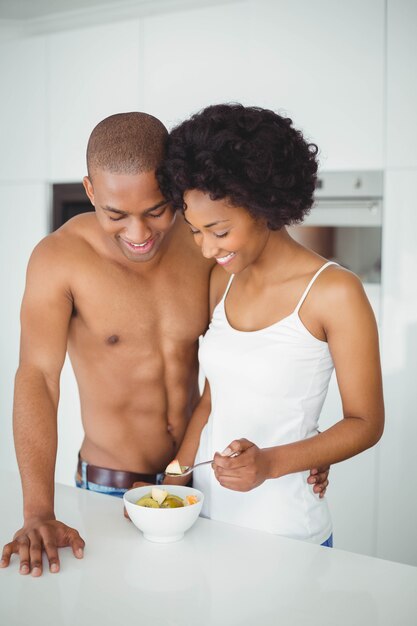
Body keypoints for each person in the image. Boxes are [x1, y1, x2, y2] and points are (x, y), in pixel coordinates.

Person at [0, 112, 329, 577]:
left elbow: (257, 351)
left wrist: (299, 449)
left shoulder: (206, 245)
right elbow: (37, 377)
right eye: (116, 214)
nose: (139, 234)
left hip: (204, 484)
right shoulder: (58, 260)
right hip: (111, 488)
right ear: (90, 190)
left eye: (156, 210)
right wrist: (37, 512)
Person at [158, 103, 385, 546]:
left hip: (286, 533)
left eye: (219, 232)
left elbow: (365, 422)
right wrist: (174, 479)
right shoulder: (221, 281)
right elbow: (212, 398)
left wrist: (270, 464)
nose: (207, 249)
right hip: (205, 523)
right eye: (195, 232)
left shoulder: (334, 292)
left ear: (264, 207)